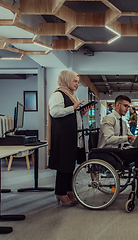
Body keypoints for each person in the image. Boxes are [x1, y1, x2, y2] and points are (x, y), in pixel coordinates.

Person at [98, 95, 138, 198]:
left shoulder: (123, 122)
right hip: (109, 152)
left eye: (128, 107)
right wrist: (127, 137)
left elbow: (131, 139)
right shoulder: (108, 119)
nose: (127, 109)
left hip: (119, 151)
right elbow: (109, 139)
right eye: (126, 106)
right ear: (117, 105)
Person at [47, 70, 90, 207]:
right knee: (63, 165)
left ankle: (68, 190)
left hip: (71, 135)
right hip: (63, 136)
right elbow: (54, 112)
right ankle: (60, 192)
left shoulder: (72, 96)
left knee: (70, 165)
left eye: (78, 81)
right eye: (74, 81)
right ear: (66, 80)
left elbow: (71, 116)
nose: (77, 84)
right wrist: (73, 108)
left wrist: (81, 112)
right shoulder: (58, 94)